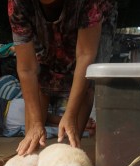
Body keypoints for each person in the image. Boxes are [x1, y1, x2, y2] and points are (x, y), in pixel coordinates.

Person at [8, 0, 116, 155]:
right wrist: (36, 124)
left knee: (88, 77)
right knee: (44, 73)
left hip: (91, 21)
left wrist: (70, 114)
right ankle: (31, 147)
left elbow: (85, 55)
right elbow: (27, 69)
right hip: (38, 20)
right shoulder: (18, 4)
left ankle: (71, 151)